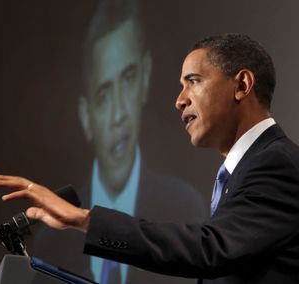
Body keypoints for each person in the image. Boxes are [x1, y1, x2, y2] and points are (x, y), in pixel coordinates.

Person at [0, 33, 299, 283]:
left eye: (193, 81)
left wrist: (85, 220)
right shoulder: (250, 168)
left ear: (242, 84)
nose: (179, 100)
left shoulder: (277, 165)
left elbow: (209, 250)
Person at [30, 1, 205, 283]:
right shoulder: (52, 241)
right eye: (104, 94)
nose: (119, 114)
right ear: (86, 117)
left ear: (146, 78)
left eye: (128, 79)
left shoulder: (185, 209)